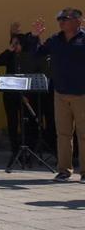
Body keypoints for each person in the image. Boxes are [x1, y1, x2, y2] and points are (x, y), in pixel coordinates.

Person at [31, 9, 85, 182]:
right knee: (63, 134)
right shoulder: (55, 40)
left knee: (84, 134)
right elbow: (37, 53)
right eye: (59, 19)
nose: (61, 22)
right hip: (60, 93)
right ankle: (64, 170)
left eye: (65, 19)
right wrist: (35, 37)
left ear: (78, 21)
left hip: (82, 94)